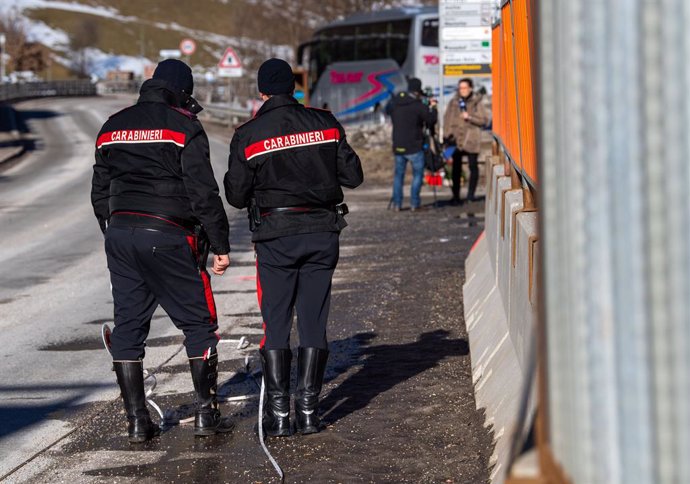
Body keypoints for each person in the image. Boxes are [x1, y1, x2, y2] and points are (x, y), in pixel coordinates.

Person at [91, 59, 232, 443]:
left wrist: (114, 228)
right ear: (182, 91)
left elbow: (99, 191)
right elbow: (203, 192)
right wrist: (220, 245)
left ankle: (138, 423)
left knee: (129, 326)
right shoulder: (184, 125)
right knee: (198, 324)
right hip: (169, 232)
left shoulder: (112, 125)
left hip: (120, 233)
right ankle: (207, 415)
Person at [224, 58, 363, 437]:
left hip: (276, 235)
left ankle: (281, 414)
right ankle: (309, 412)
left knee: (277, 320)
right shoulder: (325, 123)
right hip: (322, 231)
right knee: (314, 320)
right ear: (294, 88)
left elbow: (235, 196)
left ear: (261, 91)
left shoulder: (249, 134)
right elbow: (354, 176)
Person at [386, 77, 438, 211]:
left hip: (398, 145)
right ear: (418, 91)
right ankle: (415, 203)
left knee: (399, 176)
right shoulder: (418, 105)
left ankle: (397, 204)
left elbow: (387, 111)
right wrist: (432, 107)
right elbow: (431, 120)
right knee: (417, 175)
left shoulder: (395, 103)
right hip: (414, 146)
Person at [443, 78, 489, 204]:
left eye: (464, 88)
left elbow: (484, 120)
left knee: (473, 166)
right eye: (460, 88)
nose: (462, 90)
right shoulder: (453, 102)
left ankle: (470, 195)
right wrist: (446, 138)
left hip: (471, 139)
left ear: (470, 88)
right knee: (455, 168)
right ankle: (456, 196)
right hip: (455, 140)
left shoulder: (476, 102)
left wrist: (470, 117)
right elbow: (447, 120)